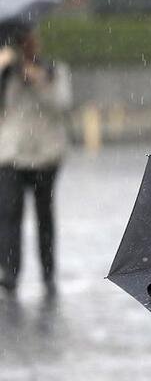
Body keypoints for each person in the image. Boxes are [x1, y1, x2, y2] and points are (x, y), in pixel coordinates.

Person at [0, 29, 72, 299]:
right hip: (12, 155)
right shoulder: (7, 73)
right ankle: (10, 273)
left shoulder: (54, 71)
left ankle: (48, 272)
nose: (28, 46)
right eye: (22, 42)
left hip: (45, 155)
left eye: (32, 41)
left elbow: (61, 103)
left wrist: (39, 80)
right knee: (9, 214)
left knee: (45, 216)